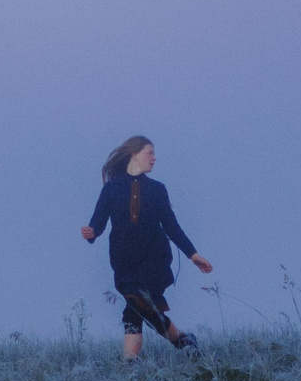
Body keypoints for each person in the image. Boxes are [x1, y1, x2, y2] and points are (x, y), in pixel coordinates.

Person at [81, 135, 212, 361]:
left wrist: (193, 254)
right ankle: (183, 341)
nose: (154, 158)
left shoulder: (157, 190)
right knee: (138, 307)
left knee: (135, 301)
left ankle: (129, 362)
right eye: (150, 153)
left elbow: (171, 227)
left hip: (155, 260)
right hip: (123, 261)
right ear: (134, 154)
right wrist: (91, 232)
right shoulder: (110, 190)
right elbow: (98, 223)